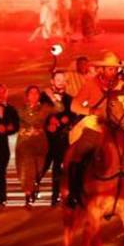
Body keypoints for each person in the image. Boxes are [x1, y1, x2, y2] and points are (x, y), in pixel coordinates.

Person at [69, 52, 124, 209]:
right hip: (95, 124)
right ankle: (74, 193)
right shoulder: (91, 84)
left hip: (116, 125)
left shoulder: (122, 85)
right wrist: (91, 111)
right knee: (79, 154)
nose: (113, 71)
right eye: (109, 68)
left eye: (115, 69)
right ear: (102, 69)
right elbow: (74, 106)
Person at [43, 69, 78, 206]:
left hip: (63, 138)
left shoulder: (69, 98)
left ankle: (57, 194)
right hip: (47, 138)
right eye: (58, 80)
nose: (61, 83)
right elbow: (38, 113)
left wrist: (67, 119)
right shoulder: (44, 96)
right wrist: (50, 120)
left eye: (63, 80)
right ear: (52, 81)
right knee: (44, 166)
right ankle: (34, 186)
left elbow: (73, 115)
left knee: (62, 167)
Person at [14, 85, 52, 206]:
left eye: (36, 93)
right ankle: (28, 194)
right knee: (27, 168)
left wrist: (51, 96)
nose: (34, 95)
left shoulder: (44, 108)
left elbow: (59, 108)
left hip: (40, 142)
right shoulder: (20, 110)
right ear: (27, 96)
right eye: (31, 93)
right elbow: (19, 121)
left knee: (39, 170)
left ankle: (35, 185)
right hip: (24, 143)